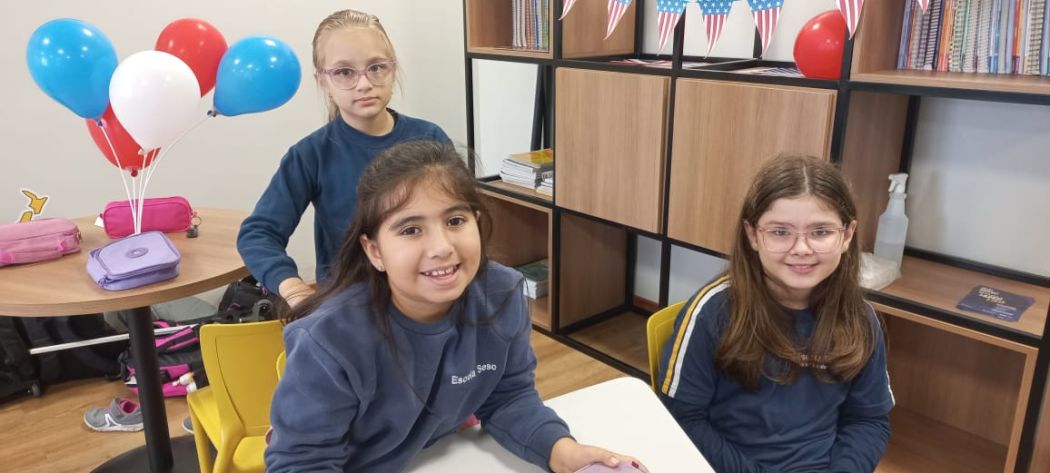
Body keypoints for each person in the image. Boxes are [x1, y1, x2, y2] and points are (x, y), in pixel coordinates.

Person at [265, 141, 647, 473]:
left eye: (455, 220)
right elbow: (302, 462)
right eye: (411, 229)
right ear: (375, 251)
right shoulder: (328, 341)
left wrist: (562, 452)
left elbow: (509, 397)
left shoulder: (501, 293)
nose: (442, 247)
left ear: (476, 223)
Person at [657, 156, 893, 472]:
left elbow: (868, 419)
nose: (802, 248)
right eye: (780, 231)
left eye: (821, 231)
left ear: (847, 235)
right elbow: (681, 418)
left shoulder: (861, 318)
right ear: (753, 235)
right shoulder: (712, 312)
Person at [237, 9, 451, 307]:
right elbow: (258, 234)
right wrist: (295, 290)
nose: (364, 84)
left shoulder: (430, 137)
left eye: (376, 67)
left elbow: (459, 219)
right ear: (322, 80)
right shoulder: (310, 155)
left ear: (393, 68)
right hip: (350, 305)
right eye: (344, 72)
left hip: (427, 299)